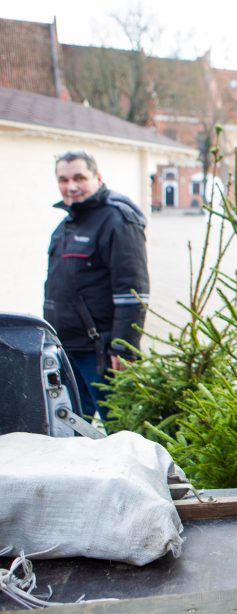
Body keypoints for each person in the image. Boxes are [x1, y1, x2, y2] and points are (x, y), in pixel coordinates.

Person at [44, 150, 149, 422]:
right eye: (63, 179)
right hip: (66, 349)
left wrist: (125, 348)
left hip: (100, 353)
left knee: (118, 428)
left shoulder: (117, 220)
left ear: (98, 177)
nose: (71, 186)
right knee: (72, 427)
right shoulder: (66, 224)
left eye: (79, 177)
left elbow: (132, 290)